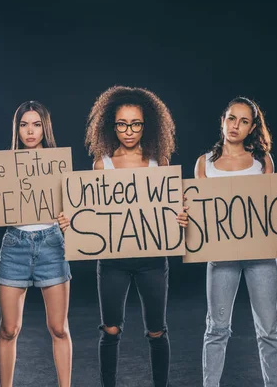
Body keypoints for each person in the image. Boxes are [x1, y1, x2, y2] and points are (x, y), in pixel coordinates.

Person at [83, 86, 188, 387]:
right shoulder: (102, 165)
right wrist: (73, 221)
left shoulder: (161, 163)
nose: (128, 131)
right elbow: (90, 212)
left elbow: (171, 208)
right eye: (122, 124)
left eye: (136, 124)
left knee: (157, 331)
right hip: (113, 262)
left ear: (147, 125)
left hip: (153, 261)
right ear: (111, 125)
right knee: (110, 330)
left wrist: (180, 217)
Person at [194, 97, 277, 387]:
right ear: (223, 120)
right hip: (221, 257)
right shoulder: (204, 163)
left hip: (262, 255)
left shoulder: (262, 161)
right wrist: (185, 214)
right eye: (231, 118)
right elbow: (201, 213)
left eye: (243, 121)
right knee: (216, 328)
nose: (235, 125)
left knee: (268, 329)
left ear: (252, 127)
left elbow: (272, 208)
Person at [0, 101, 72, 387]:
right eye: (24, 124)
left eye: (37, 124)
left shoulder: (58, 163)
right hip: (14, 244)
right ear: (17, 128)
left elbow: (74, 204)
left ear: (45, 127)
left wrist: (68, 218)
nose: (30, 131)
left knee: (59, 328)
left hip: (51, 243)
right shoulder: (3, 164)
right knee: (9, 329)